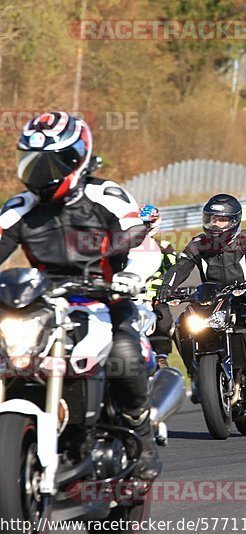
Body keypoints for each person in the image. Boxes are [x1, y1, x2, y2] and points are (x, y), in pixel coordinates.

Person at [0, 111, 163, 480]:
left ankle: (140, 433)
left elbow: (140, 238)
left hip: (106, 299)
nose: (40, 172)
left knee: (125, 352)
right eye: (32, 161)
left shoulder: (105, 195)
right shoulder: (20, 208)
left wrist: (131, 276)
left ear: (77, 158)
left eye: (50, 162)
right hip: (40, 304)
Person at [156, 194, 246, 401]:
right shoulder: (198, 243)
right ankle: (197, 375)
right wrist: (166, 286)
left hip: (243, 293)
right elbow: (181, 266)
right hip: (210, 297)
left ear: (234, 221)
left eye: (221, 219)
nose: (215, 224)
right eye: (211, 219)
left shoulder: (245, 238)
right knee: (182, 325)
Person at [139, 203, 177, 370]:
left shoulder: (164, 246)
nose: (142, 228)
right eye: (139, 225)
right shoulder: (125, 246)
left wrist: (167, 290)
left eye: (145, 224)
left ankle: (161, 356)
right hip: (131, 294)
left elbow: (175, 270)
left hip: (155, 296)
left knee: (164, 321)